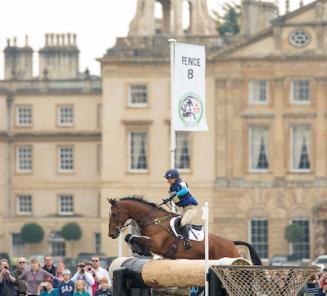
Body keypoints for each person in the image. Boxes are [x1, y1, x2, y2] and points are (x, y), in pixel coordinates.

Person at [163, 168, 198, 249]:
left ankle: (187, 241)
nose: (168, 181)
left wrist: (175, 195)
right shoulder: (171, 189)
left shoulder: (181, 183)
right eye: (167, 179)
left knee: (183, 222)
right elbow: (176, 201)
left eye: (169, 179)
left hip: (191, 208)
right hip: (183, 209)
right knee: (175, 223)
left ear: (175, 178)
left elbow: (186, 190)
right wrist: (169, 200)